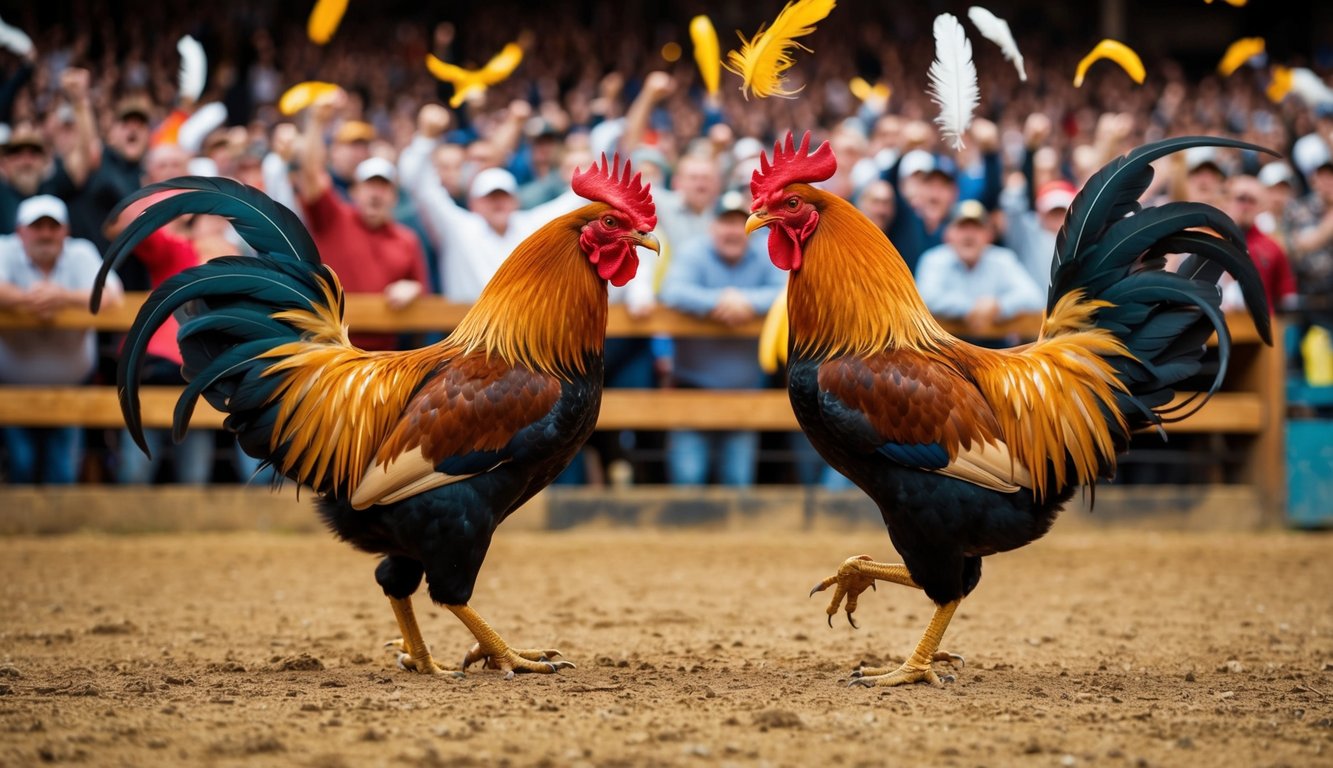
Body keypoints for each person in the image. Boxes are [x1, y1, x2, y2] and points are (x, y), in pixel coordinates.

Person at [659, 190, 785, 486]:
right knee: (688, 477)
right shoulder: (694, 251)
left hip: (745, 391)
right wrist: (719, 301)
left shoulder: (763, 253)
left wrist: (746, 302)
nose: (732, 231)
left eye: (739, 223)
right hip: (693, 387)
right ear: (712, 226)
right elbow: (671, 291)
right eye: (725, 222)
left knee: (737, 480)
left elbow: (786, 291)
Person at [398, 103, 584, 302]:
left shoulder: (531, 226)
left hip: (520, 332)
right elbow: (420, 186)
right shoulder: (458, 227)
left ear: (514, 201)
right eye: (489, 197)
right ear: (474, 203)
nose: (497, 203)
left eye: (503, 196)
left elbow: (575, 202)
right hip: (467, 331)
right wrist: (426, 138)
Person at [0, 195, 122, 483]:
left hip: (71, 386)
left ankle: (57, 525)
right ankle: (22, 526)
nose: (45, 234)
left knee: (63, 471)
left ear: (65, 231)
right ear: (20, 231)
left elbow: (113, 294)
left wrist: (62, 297)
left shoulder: (80, 253)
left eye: (52, 227)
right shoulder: (5, 249)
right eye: (37, 227)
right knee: (21, 464)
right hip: (13, 389)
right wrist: (25, 300)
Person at [294, 93, 429, 351]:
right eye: (369, 186)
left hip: (383, 361)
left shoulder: (407, 239)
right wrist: (316, 123)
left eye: (383, 187)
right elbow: (310, 173)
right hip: (329, 352)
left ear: (393, 196)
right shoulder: (334, 217)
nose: (376, 193)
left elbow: (423, 289)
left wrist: (413, 289)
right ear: (354, 192)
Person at [915, 200, 1044, 344]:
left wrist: (998, 306)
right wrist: (971, 308)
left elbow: (1034, 297)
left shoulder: (1003, 259)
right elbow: (925, 298)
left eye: (976, 228)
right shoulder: (934, 260)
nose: (969, 235)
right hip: (945, 351)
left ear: (989, 235)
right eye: (962, 227)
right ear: (948, 234)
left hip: (995, 351)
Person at [1221, 174, 1297, 315]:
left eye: (1252, 201)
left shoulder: (1272, 247)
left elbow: (1287, 297)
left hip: (1259, 329)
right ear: (1226, 200)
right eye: (1241, 199)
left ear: (1261, 206)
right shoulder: (1207, 239)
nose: (1246, 206)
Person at [1001, 179, 1076, 291]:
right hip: (1033, 306)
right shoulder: (1027, 235)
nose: (1057, 217)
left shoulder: (1083, 238)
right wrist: (1015, 189)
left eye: (1062, 211)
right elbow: (1013, 210)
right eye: (1053, 212)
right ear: (1040, 213)